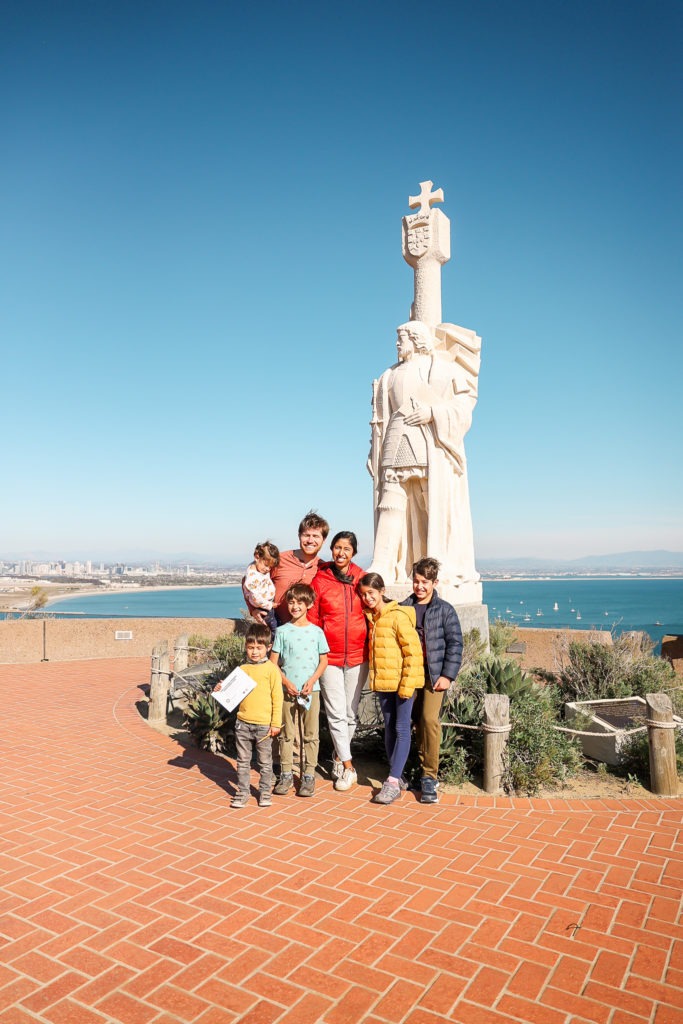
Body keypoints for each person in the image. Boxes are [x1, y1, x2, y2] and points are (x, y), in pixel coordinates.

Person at [368, 320, 480, 599]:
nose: (397, 344)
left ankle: (433, 563)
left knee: (430, 503)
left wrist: (433, 413)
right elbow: (379, 419)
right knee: (390, 502)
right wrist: (374, 450)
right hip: (394, 438)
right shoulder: (388, 376)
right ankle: (382, 562)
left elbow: (464, 403)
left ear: (417, 339)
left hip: (428, 443)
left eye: (402, 338)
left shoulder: (439, 368)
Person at [358, 572, 424, 805]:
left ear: (382, 591)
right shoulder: (371, 618)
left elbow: (413, 653)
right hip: (384, 683)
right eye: (364, 594)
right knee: (389, 730)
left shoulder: (397, 617)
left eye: (372, 593)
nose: (367, 598)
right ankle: (398, 774)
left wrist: (407, 685)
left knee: (401, 728)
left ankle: (393, 781)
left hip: (403, 684)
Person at [401, 557, 463, 804]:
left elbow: (456, 643)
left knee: (428, 720)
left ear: (435, 582)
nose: (420, 587)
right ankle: (414, 769)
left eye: (425, 582)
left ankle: (429, 777)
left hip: (435, 676)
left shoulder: (445, 609)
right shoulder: (404, 607)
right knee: (411, 722)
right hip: (409, 676)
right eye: (416, 581)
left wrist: (448, 675)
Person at [309, 531, 368, 792]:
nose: (341, 553)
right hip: (330, 658)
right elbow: (313, 619)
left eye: (346, 548)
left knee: (350, 713)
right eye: (337, 548)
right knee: (335, 712)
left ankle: (336, 756)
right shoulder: (320, 580)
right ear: (331, 550)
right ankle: (348, 767)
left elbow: (374, 607)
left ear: (353, 552)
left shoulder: (362, 577)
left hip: (358, 655)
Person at [270, 584, 329, 798]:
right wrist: (285, 682)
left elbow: (324, 660)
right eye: (291, 602)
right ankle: (286, 774)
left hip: (310, 691)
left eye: (300, 603)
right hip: (287, 691)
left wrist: (312, 681)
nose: (295, 607)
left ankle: (308, 776)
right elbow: (273, 662)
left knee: (311, 735)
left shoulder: (317, 632)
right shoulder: (282, 631)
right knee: (286, 734)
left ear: (309, 604)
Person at [216, 622, 282, 809]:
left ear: (268, 648)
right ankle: (243, 792)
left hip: (264, 726)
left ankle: (264, 792)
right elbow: (230, 693)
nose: (254, 652)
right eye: (250, 647)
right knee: (243, 762)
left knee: (264, 762)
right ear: (246, 647)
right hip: (243, 724)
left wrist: (275, 723)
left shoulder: (271, 670)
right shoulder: (243, 670)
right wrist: (221, 688)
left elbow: (277, 698)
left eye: (259, 648)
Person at [269, 511, 330, 625]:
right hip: (276, 628)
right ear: (299, 536)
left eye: (316, 536)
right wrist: (254, 609)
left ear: (323, 540)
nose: (310, 540)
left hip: (306, 632)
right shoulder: (279, 560)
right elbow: (251, 579)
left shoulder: (323, 568)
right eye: (306, 535)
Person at [242, 541, 280, 633]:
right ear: (257, 557)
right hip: (263, 606)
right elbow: (255, 598)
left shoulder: (258, 567)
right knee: (273, 627)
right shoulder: (252, 578)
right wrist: (270, 605)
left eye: (270, 567)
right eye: (266, 565)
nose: (268, 569)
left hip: (265, 604)